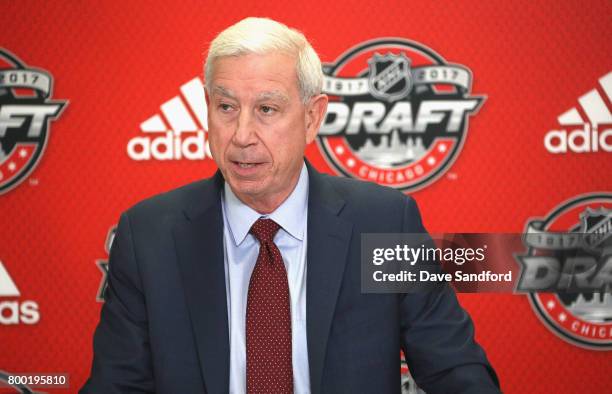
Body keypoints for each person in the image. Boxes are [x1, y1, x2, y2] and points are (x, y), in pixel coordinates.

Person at [81, 17, 500, 394]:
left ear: (313, 117)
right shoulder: (150, 236)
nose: (242, 134)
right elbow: (117, 385)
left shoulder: (384, 224)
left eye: (267, 109)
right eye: (226, 107)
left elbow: (456, 374)